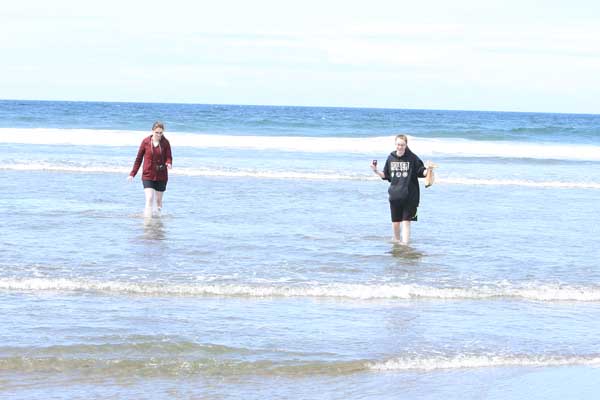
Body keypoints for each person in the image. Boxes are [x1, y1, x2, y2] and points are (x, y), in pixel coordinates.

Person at [371, 134, 431, 244]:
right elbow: (386, 176)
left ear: (406, 145)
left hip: (411, 197)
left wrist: (429, 170)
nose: (400, 147)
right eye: (398, 144)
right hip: (394, 196)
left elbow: (421, 172)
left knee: (407, 222)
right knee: (395, 222)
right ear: (395, 144)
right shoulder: (390, 157)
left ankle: (405, 245)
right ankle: (397, 243)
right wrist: (375, 171)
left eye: (402, 145)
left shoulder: (412, 157)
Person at [128, 121, 172, 217]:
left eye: (161, 133)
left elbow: (169, 156)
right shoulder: (146, 142)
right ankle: (148, 221)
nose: (159, 135)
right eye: (157, 132)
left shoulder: (165, 143)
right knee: (149, 198)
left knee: (158, 201)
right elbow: (139, 159)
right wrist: (132, 174)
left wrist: (169, 163)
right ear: (152, 131)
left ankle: (158, 220)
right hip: (148, 174)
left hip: (162, 175)